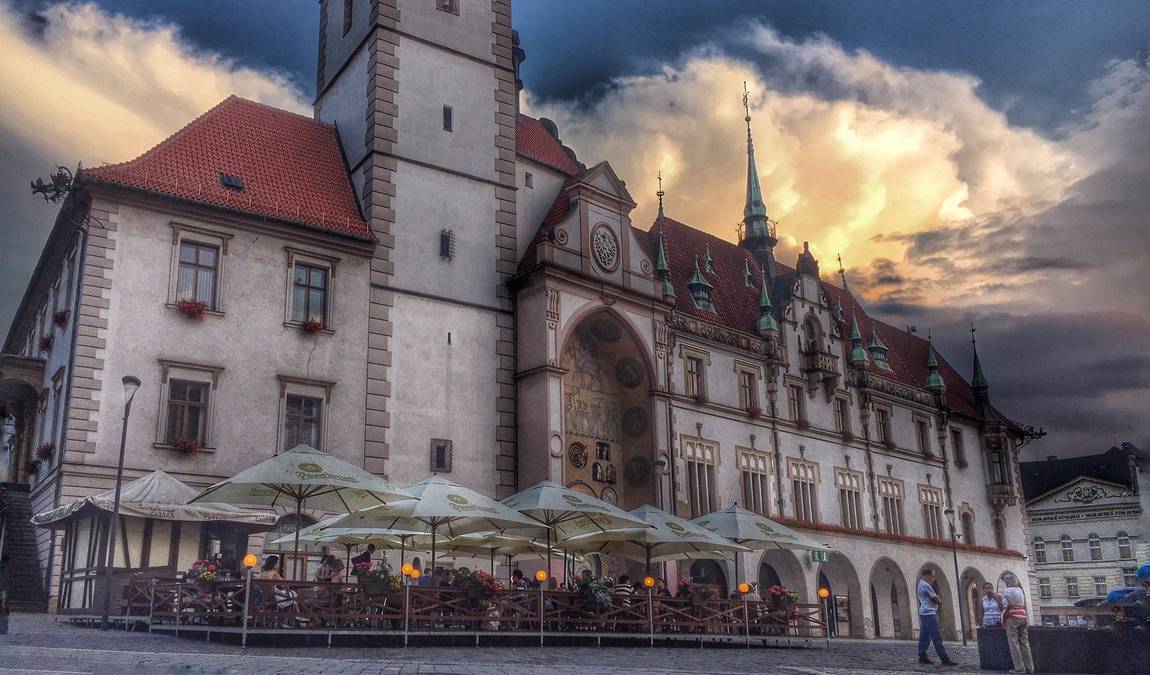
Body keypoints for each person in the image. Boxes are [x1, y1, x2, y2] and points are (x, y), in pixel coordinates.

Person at [917, 569, 958, 667]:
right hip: (929, 613)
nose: (934, 578)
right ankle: (944, 658)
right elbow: (936, 599)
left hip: (924, 613)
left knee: (924, 635)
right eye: (933, 576)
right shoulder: (926, 585)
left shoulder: (921, 584)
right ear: (927, 575)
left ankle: (922, 655)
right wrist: (939, 599)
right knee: (936, 636)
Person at [1001, 574, 1034, 674]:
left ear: (1007, 582)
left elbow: (1010, 603)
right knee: (1024, 642)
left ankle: (1019, 668)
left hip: (1013, 616)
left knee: (1014, 643)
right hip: (1022, 616)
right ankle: (1030, 667)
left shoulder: (1007, 590)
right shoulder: (1019, 590)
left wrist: (1006, 613)